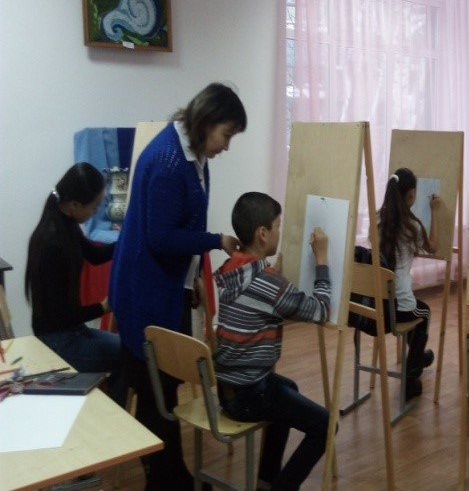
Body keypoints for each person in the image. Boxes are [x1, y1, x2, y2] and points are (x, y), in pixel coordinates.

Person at [109, 82, 246, 490]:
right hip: (145, 291)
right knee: (157, 390)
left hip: (167, 284)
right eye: (226, 135)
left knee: (163, 385)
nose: (227, 146)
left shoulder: (194, 154)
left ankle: (171, 477)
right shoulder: (169, 161)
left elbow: (183, 223)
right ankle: (167, 480)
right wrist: (215, 241)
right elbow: (162, 238)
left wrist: (193, 278)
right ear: (205, 123)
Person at [213, 192, 332, 491]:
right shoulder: (268, 282)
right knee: (326, 426)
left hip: (227, 389)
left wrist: (273, 275)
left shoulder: (232, 268)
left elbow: (259, 297)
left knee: (289, 388)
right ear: (263, 234)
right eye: (278, 225)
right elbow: (321, 310)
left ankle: (266, 481)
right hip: (249, 394)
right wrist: (322, 259)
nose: (281, 231)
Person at [25, 162, 124, 404]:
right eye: (94, 206)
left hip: (72, 331)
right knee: (130, 357)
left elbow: (95, 255)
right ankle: (113, 416)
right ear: (74, 205)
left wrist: (127, 241)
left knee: (131, 348)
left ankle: (111, 411)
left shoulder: (66, 223)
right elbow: (62, 315)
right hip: (57, 340)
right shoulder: (52, 243)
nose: (96, 212)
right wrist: (103, 307)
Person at [378, 167, 441, 400]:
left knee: (418, 312)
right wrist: (434, 212)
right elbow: (433, 247)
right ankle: (411, 377)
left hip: (377, 305)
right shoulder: (411, 226)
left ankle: (419, 356)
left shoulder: (378, 219)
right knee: (424, 314)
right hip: (399, 306)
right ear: (412, 195)